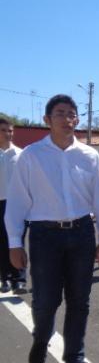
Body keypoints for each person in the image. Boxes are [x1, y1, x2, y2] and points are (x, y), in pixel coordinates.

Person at [6, 95, 99, 363]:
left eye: (72, 114)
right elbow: (17, 201)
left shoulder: (89, 156)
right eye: (60, 113)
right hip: (44, 236)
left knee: (80, 300)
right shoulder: (31, 156)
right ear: (47, 120)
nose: (67, 119)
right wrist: (14, 242)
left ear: (77, 120)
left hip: (80, 233)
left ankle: (74, 359)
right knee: (45, 301)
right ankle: (41, 340)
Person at [0, 118, 27, 294]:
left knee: (18, 241)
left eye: (10, 130)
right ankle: (5, 278)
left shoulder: (21, 154)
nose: (8, 133)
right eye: (3, 130)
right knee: (2, 242)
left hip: (18, 205)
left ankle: (19, 279)